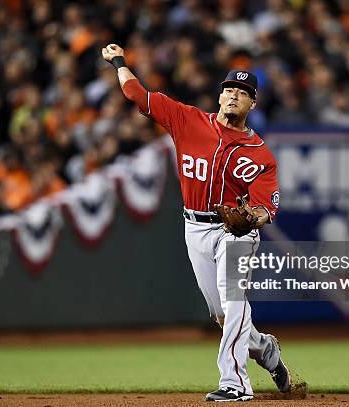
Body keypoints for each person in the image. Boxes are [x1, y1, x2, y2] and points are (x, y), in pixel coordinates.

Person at [102, 43, 290, 401]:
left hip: (235, 233)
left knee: (235, 302)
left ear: (253, 104)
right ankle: (265, 349)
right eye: (230, 89)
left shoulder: (260, 154)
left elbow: (268, 206)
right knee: (223, 317)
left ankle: (235, 384)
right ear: (220, 96)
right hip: (195, 228)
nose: (235, 95)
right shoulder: (187, 119)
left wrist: (253, 217)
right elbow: (137, 94)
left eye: (244, 93)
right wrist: (119, 62)